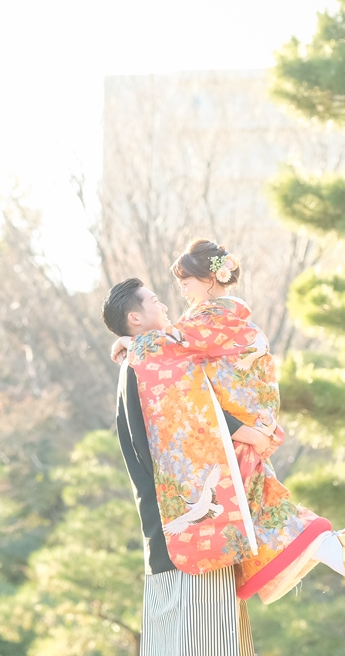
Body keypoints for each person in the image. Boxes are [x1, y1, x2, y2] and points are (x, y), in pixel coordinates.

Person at [107, 239, 345, 608]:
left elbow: (172, 354)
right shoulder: (228, 317)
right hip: (249, 423)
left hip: (237, 428)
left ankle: (327, 546)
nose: (178, 295)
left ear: (208, 281)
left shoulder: (208, 319)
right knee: (258, 503)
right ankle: (330, 547)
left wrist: (129, 341)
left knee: (243, 510)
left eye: (185, 283)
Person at [105, 281, 257, 656]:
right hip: (192, 535)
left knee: (173, 641)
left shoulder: (138, 363)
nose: (165, 304)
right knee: (208, 641)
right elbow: (192, 420)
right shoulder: (150, 364)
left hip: (166, 530)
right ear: (135, 317)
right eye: (154, 300)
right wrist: (249, 433)